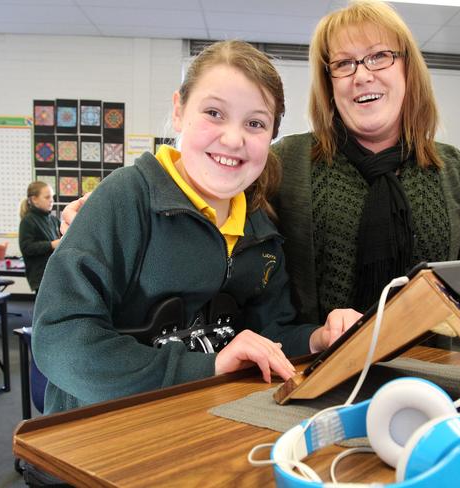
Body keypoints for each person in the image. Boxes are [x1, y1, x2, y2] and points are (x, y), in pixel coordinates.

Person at [63, 2, 460, 392]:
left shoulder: (453, 169)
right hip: (317, 375)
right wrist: (107, 204)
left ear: (408, 69)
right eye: (344, 63)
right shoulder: (288, 161)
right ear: (329, 80)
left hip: (437, 375)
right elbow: (213, 187)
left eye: (379, 56)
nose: (362, 75)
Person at [32, 40, 361, 414]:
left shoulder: (261, 229)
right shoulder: (125, 199)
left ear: (271, 138)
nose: (233, 138)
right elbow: (61, 340)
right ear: (178, 110)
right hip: (98, 433)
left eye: (255, 123)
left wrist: (318, 339)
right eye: (214, 113)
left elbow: (272, 335)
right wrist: (206, 368)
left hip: (199, 422)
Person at [18, 181, 61, 292]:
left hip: (54, 274)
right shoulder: (28, 221)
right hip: (40, 276)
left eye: (52, 196)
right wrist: (51, 245)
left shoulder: (53, 220)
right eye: (47, 197)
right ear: (34, 200)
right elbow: (26, 247)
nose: (52, 200)